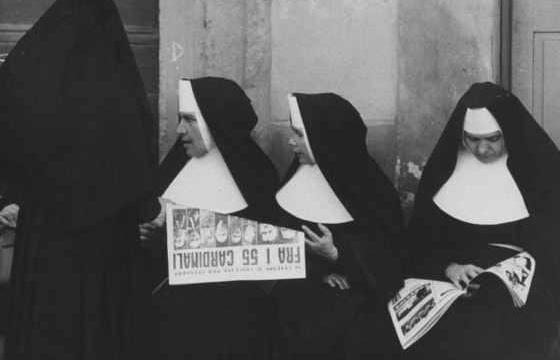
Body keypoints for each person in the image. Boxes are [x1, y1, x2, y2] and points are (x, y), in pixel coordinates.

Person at [0, 0, 159, 359]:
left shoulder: (28, 83)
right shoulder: (114, 92)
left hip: (40, 237)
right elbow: (135, 177)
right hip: (104, 244)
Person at [405, 82, 559, 359]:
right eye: (472, 139)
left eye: (492, 138)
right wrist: (449, 267)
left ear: (508, 134)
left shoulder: (541, 175)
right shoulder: (444, 175)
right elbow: (421, 240)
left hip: (520, 298)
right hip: (457, 291)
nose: (482, 149)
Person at [140, 77, 281, 359]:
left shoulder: (258, 176)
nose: (180, 130)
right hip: (164, 307)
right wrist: (143, 232)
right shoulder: (172, 168)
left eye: (189, 120)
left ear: (218, 121)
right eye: (181, 119)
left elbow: (268, 254)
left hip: (230, 316)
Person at [273, 92, 405, 358]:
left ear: (324, 138)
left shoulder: (374, 191)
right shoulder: (290, 184)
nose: (291, 142)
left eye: (299, 134)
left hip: (360, 298)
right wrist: (318, 271)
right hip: (303, 292)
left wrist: (337, 254)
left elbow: (392, 262)